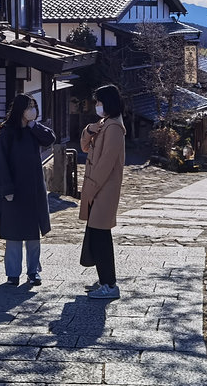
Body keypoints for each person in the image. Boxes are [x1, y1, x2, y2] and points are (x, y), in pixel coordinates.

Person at [0, 93, 55, 286]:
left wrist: (33, 124)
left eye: (34, 107)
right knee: (13, 233)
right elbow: (1, 162)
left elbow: (50, 139)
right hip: (13, 188)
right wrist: (7, 188)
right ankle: (12, 273)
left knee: (32, 233)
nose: (33, 111)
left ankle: (33, 271)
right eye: (29, 107)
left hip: (34, 188)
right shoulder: (7, 132)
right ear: (21, 109)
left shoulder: (33, 130)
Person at [79, 84, 126, 300]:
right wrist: (89, 130)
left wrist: (91, 187)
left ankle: (110, 284)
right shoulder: (103, 124)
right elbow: (85, 147)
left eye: (99, 101)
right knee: (97, 235)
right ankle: (104, 280)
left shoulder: (115, 128)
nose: (96, 105)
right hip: (97, 188)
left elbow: (106, 163)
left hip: (103, 189)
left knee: (101, 236)